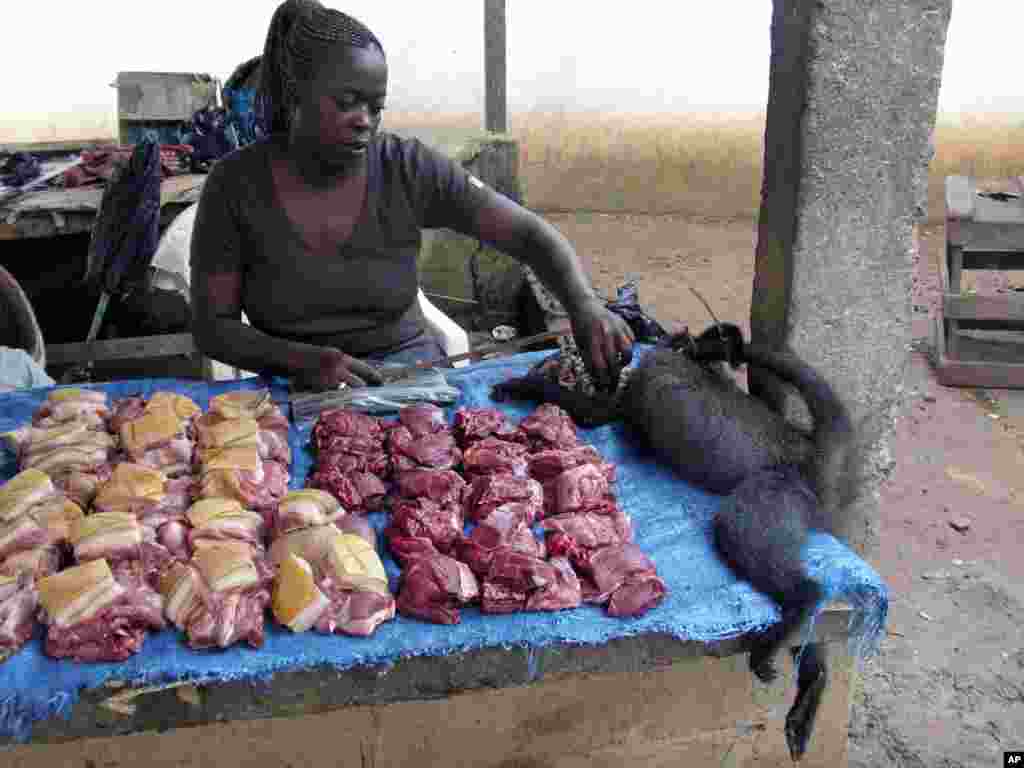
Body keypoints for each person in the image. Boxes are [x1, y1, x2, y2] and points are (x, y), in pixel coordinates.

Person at [190, 0, 634, 393]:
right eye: (347, 102)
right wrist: (301, 360)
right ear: (295, 94)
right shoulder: (235, 185)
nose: (364, 120)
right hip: (292, 387)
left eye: (375, 107)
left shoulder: (406, 168)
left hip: (409, 375)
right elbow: (213, 329)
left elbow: (529, 235)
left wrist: (584, 304)